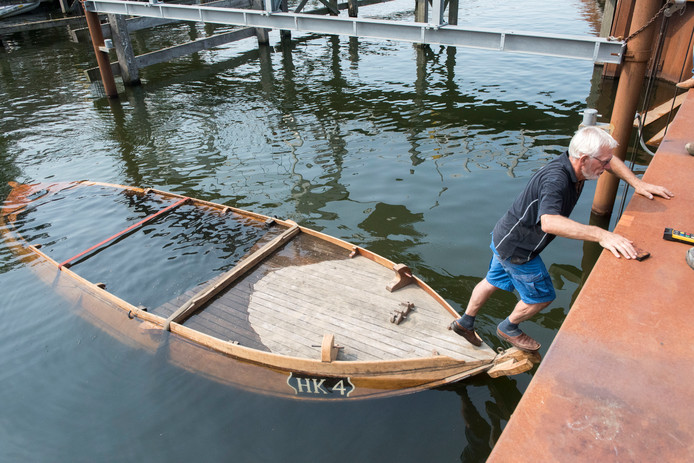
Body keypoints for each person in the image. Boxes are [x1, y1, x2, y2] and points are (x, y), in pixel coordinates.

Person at [450, 126, 674, 352]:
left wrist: (637, 183)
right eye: (603, 163)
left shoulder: (578, 164)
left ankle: (464, 323)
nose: (607, 167)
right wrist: (602, 234)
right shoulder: (556, 180)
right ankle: (509, 327)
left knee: (491, 281)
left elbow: (611, 160)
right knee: (541, 297)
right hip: (519, 250)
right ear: (584, 159)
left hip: (503, 237)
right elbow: (549, 222)